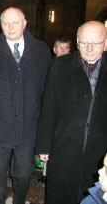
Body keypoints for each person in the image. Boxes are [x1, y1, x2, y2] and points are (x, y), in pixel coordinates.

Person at [0, 7, 52, 204]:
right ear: (1, 26)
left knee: (23, 175)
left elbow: (49, 87)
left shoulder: (41, 50)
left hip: (29, 126)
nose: (10, 26)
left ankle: (19, 200)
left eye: (15, 22)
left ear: (24, 23)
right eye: (5, 23)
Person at [36, 21, 107, 204]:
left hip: (100, 149)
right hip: (64, 145)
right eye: (84, 43)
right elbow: (49, 108)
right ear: (77, 41)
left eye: (96, 43)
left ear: (105, 43)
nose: (89, 48)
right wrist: (44, 146)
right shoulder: (60, 66)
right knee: (60, 194)